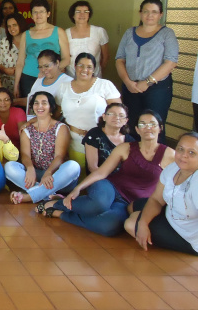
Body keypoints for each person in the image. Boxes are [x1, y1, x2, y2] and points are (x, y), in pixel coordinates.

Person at [38, 110, 175, 237]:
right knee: (99, 204)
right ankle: (57, 204)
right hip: (110, 187)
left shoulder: (170, 154)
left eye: (152, 124)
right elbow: (102, 172)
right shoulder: (126, 148)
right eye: (142, 124)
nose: (148, 127)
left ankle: (61, 213)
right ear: (137, 129)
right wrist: (77, 189)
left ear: (160, 128)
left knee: (109, 226)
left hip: (130, 202)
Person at [125, 132, 198, 256]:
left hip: (187, 237)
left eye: (192, 152)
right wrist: (143, 223)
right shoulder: (173, 168)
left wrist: (142, 223)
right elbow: (156, 200)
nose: (184, 155)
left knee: (130, 224)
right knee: (132, 206)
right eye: (180, 149)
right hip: (171, 212)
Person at [116, 0, 178, 142]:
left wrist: (147, 82)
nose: (150, 15)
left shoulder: (167, 34)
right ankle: (134, 161)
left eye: (154, 12)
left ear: (160, 15)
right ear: (140, 13)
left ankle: (155, 163)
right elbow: (119, 59)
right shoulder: (129, 33)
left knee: (154, 126)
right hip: (131, 87)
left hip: (157, 89)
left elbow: (171, 62)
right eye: (146, 11)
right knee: (132, 126)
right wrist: (127, 81)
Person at [5, 92, 80, 204]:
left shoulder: (60, 127)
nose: (39, 106)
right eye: (36, 103)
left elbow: (60, 156)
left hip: (57, 177)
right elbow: (25, 155)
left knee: (73, 166)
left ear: (51, 107)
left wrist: (49, 172)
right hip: (36, 175)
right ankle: (48, 195)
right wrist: (30, 168)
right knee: (9, 166)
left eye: (44, 103)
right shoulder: (27, 130)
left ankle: (31, 196)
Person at [56, 53, 122, 174]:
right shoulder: (64, 87)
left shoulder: (104, 85)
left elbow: (119, 114)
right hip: (71, 140)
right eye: (81, 65)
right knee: (74, 177)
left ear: (94, 69)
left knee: (96, 177)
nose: (84, 70)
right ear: (75, 66)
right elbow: (56, 113)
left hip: (99, 142)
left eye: (89, 67)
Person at [14, 0, 70, 98]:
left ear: (48, 14)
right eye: (35, 12)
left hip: (52, 77)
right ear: (31, 15)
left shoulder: (58, 31)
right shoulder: (26, 35)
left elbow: (66, 59)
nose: (38, 15)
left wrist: (48, 71)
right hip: (28, 77)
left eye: (41, 12)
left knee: (50, 107)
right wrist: (16, 85)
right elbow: (20, 62)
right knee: (30, 107)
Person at [83, 103, 134, 174]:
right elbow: (92, 167)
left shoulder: (130, 141)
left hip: (123, 180)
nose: (117, 118)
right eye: (112, 114)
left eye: (121, 115)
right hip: (99, 178)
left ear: (126, 121)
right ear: (104, 117)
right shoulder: (94, 134)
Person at [65, 0, 109, 77]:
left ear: (89, 15)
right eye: (78, 11)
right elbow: (64, 57)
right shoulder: (66, 33)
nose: (82, 14)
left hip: (94, 77)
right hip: (71, 76)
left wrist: (98, 72)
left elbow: (105, 56)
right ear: (73, 15)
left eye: (86, 11)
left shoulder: (99, 31)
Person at [24, 50, 73, 115]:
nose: (43, 70)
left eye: (46, 66)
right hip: (32, 122)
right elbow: (30, 100)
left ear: (57, 63)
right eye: (40, 67)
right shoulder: (40, 79)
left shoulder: (67, 82)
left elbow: (63, 111)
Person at [0, 12, 28, 92]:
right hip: (7, 85)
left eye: (14, 25)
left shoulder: (30, 41)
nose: (12, 28)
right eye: (9, 26)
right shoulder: (5, 42)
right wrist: (4, 70)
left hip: (27, 82)